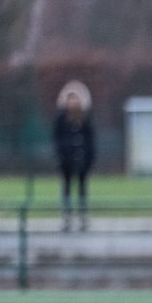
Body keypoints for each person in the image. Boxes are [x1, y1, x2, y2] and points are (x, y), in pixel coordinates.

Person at [53, 81, 95, 233]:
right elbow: (57, 139)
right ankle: (66, 217)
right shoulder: (61, 119)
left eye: (75, 98)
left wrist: (88, 158)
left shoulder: (85, 119)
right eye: (70, 98)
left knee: (82, 188)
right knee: (66, 188)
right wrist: (62, 155)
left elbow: (90, 141)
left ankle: (83, 217)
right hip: (66, 160)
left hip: (82, 159)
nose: (73, 102)